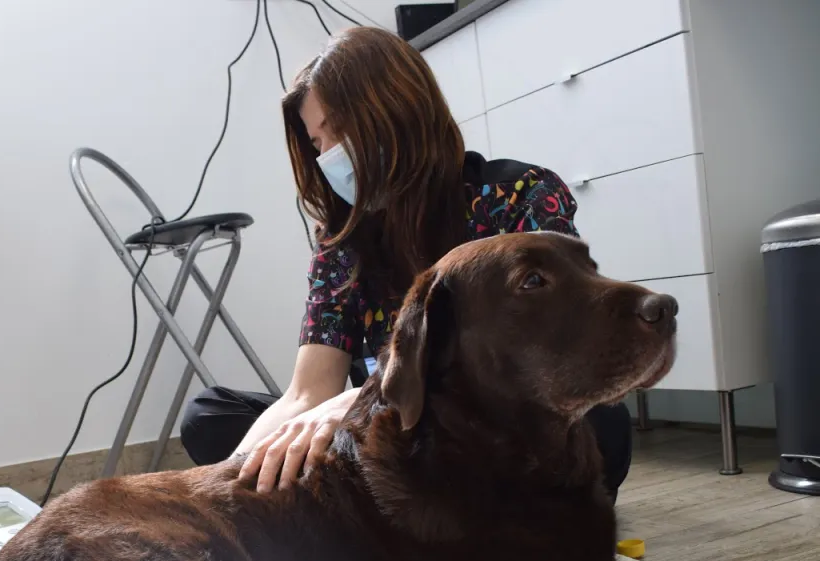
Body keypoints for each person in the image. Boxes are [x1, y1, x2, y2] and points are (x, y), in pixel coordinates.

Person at [180, 26, 632, 498]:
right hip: (394, 434)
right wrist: (222, 487)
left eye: (336, 129)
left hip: (490, 421)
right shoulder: (342, 243)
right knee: (210, 417)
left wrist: (360, 399)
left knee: (602, 424)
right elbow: (308, 393)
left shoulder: (518, 196)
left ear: (395, 108)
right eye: (317, 143)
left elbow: (549, 355)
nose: (327, 154)